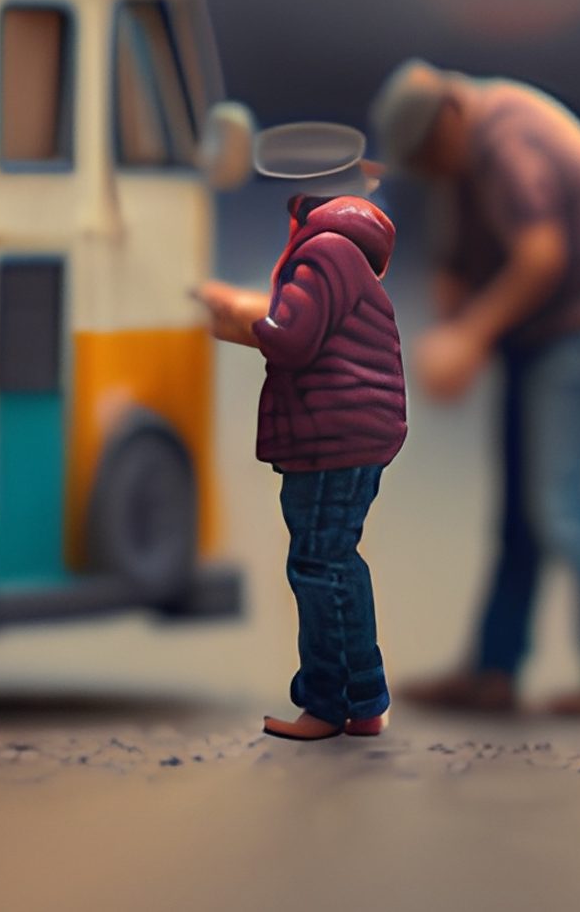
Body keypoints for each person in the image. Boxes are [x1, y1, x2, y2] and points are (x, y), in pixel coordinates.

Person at [370, 60, 580, 717]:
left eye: (429, 154)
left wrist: (468, 335)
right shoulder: (462, 153)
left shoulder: (505, 139)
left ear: (446, 116)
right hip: (537, 333)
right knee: (516, 513)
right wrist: (447, 329)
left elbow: (540, 256)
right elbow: (451, 255)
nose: (431, 169)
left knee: (559, 505)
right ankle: (492, 669)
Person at [195, 123, 407, 742]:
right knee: (337, 560)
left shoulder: (323, 251)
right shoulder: (348, 252)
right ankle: (364, 700)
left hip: (332, 436)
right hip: (355, 431)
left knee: (318, 564)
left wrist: (230, 314)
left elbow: (292, 338)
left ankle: (324, 706)